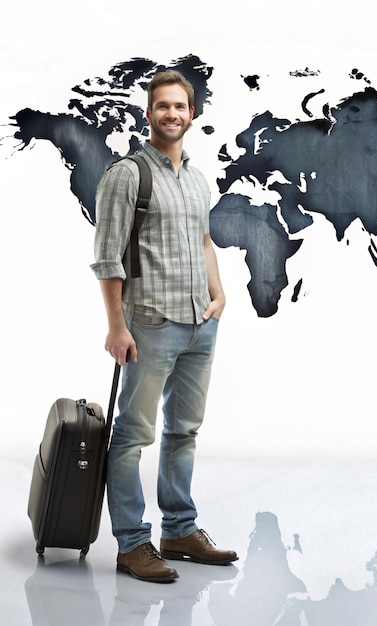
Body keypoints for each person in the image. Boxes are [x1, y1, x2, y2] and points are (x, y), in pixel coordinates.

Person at [91, 70, 237, 583]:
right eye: (162, 107)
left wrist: (219, 296)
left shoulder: (198, 178)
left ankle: (178, 530)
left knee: (185, 431)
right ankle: (132, 544)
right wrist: (117, 327)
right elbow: (108, 258)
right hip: (149, 325)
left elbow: (203, 243)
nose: (171, 114)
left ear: (191, 114)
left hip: (200, 325)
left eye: (180, 107)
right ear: (148, 113)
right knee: (132, 436)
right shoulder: (127, 175)